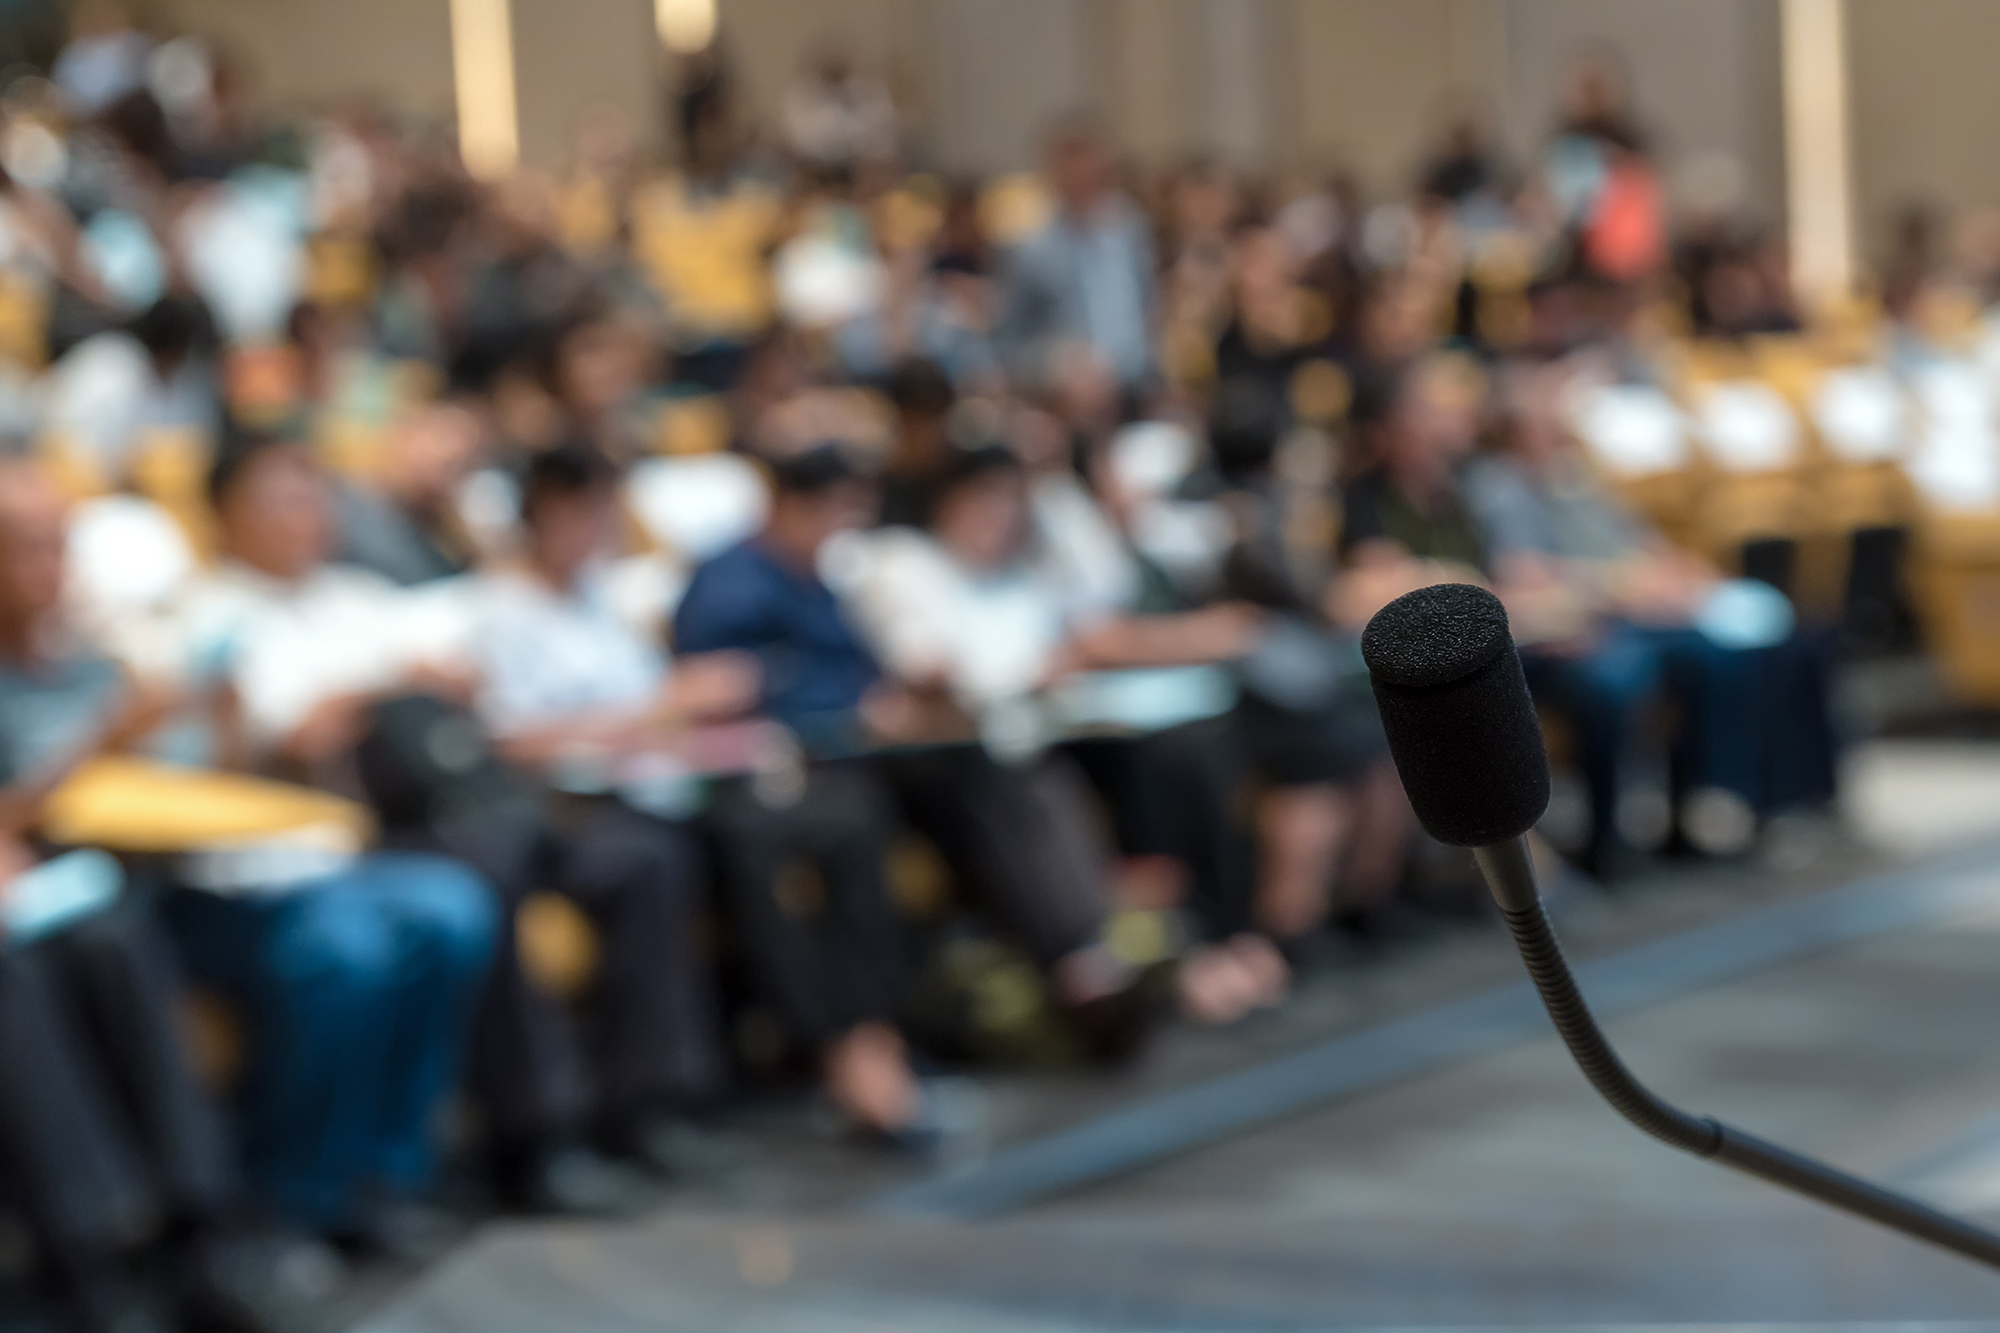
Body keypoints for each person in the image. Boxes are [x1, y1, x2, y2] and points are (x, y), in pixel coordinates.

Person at [169, 433, 500, 1247]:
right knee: (345, 951)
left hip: (340, 856)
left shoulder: (352, 597)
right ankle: (293, 1189)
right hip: (227, 876)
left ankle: (384, 1172)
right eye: (282, 498)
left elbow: (457, 673)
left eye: (315, 496)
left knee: (453, 909)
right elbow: (288, 737)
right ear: (223, 514)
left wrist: (382, 685)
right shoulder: (201, 616)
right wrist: (379, 685)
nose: (306, 516)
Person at [0, 460, 301, 1333]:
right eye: (25, 548)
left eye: (59, 545)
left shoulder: (89, 658)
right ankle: (90, 1260)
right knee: (17, 978)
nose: (48, 566)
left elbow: (187, 780)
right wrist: (97, 743)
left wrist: (212, 712)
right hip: (23, 900)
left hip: (86, 884)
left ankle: (199, 1231)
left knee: (116, 939)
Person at [452, 441, 745, 1194]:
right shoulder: (499, 609)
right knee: (641, 862)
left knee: (718, 840)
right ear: (539, 515)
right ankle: (573, 1122)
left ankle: (664, 1095)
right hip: (544, 810)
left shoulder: (599, 597)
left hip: (637, 794)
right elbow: (509, 738)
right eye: (578, 511)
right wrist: (657, 709)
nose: (594, 527)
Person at [672, 447, 934, 1138]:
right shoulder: (727, 581)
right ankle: (835, 1041)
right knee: (780, 840)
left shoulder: (823, 578)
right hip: (742, 778)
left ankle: (873, 1032)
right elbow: (731, 685)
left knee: (871, 816)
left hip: (836, 768)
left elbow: (858, 669)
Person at [996, 118, 1156, 400]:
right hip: (1065, 395)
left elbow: (1148, 308)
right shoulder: (1031, 248)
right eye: (1071, 166)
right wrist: (1058, 364)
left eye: (1088, 164)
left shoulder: (1130, 229)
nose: (1081, 174)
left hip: (1134, 384)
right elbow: (1009, 342)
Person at [333, 398, 486, 586]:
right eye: (443, 461)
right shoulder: (345, 507)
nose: (441, 477)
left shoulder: (446, 531)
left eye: (462, 465)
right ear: (405, 440)